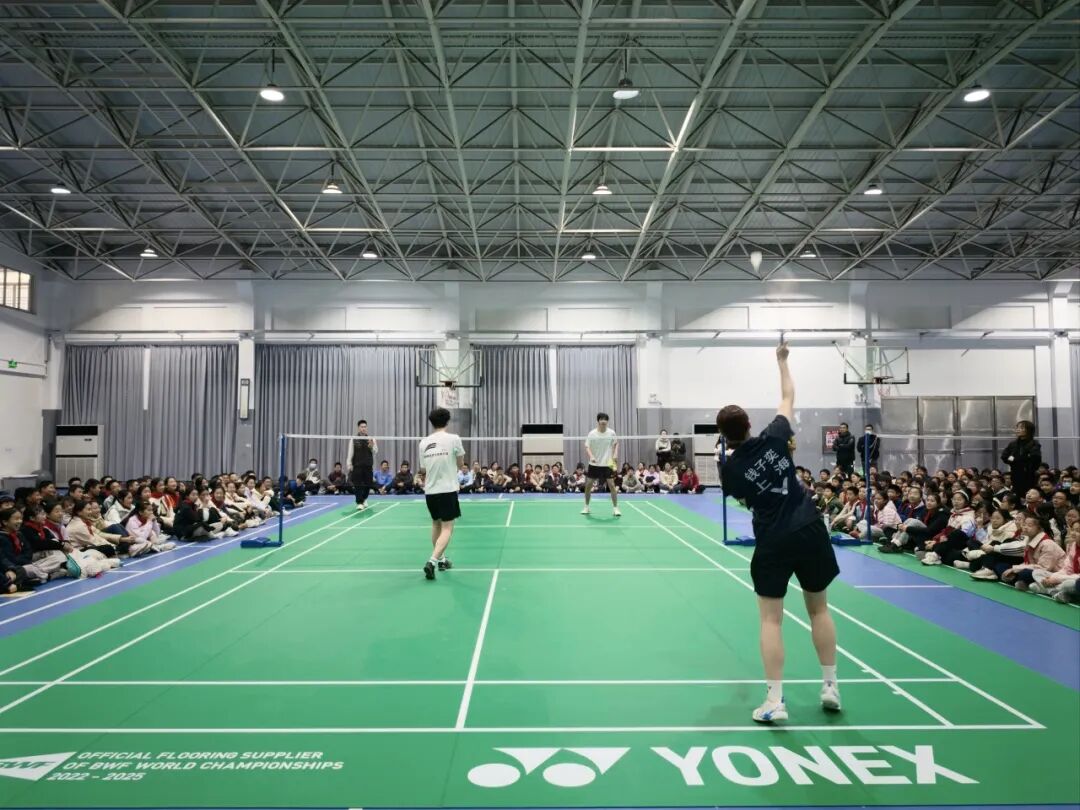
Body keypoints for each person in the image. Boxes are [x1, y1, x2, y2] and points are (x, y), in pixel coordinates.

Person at [718, 342, 841, 724]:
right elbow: (788, 396)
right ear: (749, 425)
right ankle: (830, 686)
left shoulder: (729, 471)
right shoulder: (775, 436)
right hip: (809, 526)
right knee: (819, 608)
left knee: (771, 620)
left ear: (723, 436)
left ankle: (775, 700)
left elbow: (745, 501)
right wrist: (782, 361)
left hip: (773, 538)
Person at [419, 408, 466, 581]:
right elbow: (461, 464)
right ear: (447, 421)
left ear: (431, 422)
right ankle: (432, 561)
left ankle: (442, 560)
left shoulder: (423, 442)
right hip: (447, 490)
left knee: (436, 525)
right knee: (447, 528)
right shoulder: (454, 439)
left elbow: (423, 468)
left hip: (430, 491)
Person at [582, 412, 621, 517]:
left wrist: (615, 453)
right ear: (598, 421)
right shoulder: (592, 433)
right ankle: (586, 506)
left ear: (607, 421)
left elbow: (616, 443)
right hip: (594, 463)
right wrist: (591, 456)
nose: (603, 421)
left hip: (608, 463)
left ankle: (615, 508)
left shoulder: (611, 433)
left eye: (605, 419)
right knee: (588, 485)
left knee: (612, 485)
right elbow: (587, 446)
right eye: (601, 419)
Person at [1001, 421, 1042, 499]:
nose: (1018, 430)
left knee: (1028, 496)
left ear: (1028, 430)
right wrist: (1020, 459)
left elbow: (1035, 459)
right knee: (1016, 497)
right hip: (1015, 475)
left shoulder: (1034, 444)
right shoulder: (1013, 444)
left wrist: (1014, 459)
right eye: (1017, 427)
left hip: (1029, 476)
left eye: (1022, 428)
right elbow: (1004, 456)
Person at [347, 419, 378, 511]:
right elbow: (350, 452)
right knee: (358, 484)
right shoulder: (353, 439)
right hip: (357, 465)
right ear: (358, 428)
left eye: (365, 427)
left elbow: (375, 451)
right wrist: (349, 463)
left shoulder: (371, 439)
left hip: (368, 465)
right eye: (362, 427)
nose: (363, 428)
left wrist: (372, 446)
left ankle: (364, 498)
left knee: (368, 484)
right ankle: (359, 502)